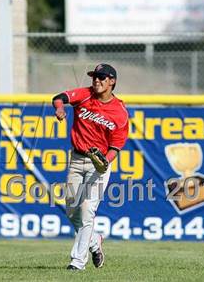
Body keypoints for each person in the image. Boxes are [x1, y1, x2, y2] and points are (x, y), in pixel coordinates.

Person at [52, 63, 129, 270]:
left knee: (87, 211)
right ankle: (95, 242)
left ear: (112, 81)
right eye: (95, 76)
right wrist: (60, 109)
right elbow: (59, 97)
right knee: (71, 210)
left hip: (99, 165)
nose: (96, 80)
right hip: (76, 160)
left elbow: (116, 145)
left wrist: (105, 161)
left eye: (102, 77)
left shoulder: (119, 111)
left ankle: (77, 262)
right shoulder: (84, 95)